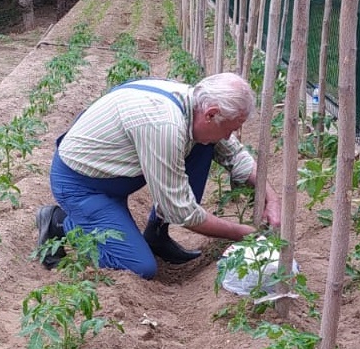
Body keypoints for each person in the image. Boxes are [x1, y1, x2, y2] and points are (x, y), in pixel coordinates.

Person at [36, 71, 281, 279]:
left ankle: (156, 235)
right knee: (140, 267)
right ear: (211, 114)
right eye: (229, 129)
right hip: (82, 184)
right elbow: (181, 211)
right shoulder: (164, 126)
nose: (229, 136)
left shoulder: (194, 103)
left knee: (207, 145)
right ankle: (60, 222)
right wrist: (243, 232)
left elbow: (236, 156)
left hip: (116, 174)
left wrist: (272, 198)